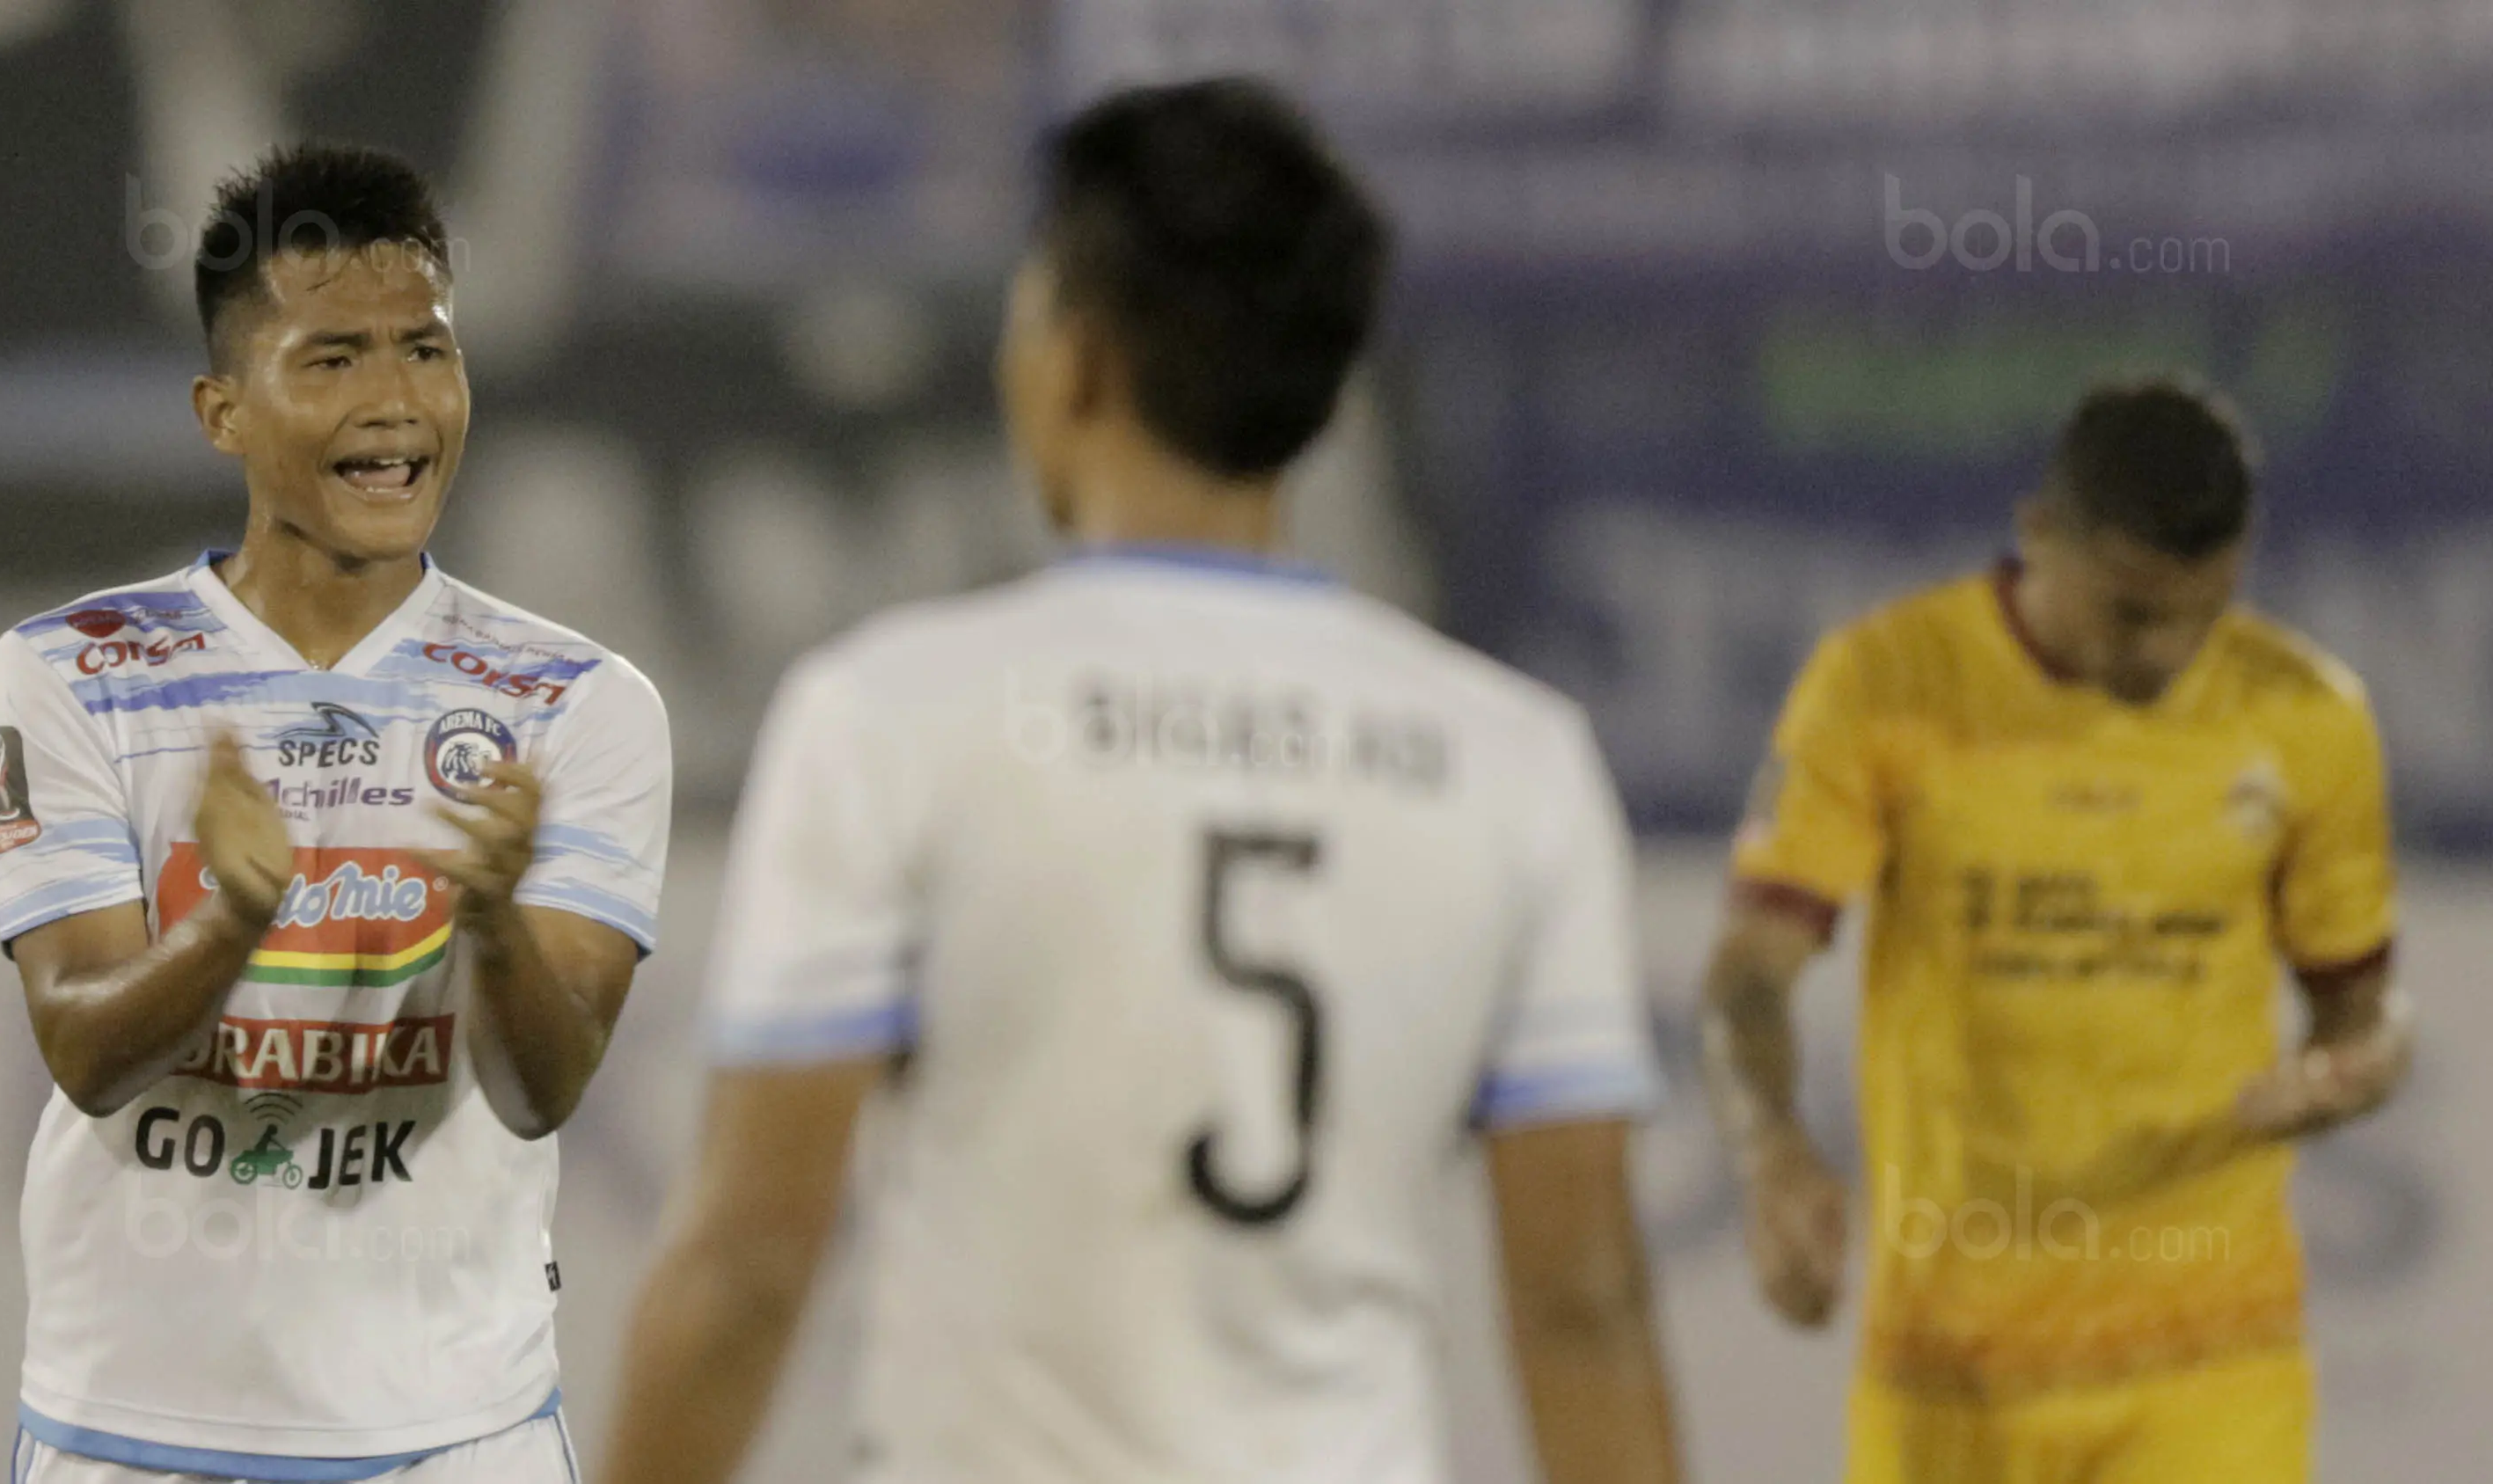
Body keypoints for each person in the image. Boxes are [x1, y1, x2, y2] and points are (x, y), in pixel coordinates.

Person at [603, 78, 1680, 1484]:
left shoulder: (887, 716)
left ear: (1079, 358)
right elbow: (1583, 1297)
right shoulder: (1515, 755)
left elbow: (747, 1263)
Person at [0, 143, 671, 1483]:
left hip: (460, 1431)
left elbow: (546, 1086)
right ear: (222, 410)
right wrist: (232, 917)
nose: (398, 402)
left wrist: (494, 925)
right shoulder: (72, 668)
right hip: (137, 1429)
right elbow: (84, 1047)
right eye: (334, 358)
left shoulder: (576, 700)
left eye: (426, 349)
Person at [1701, 376, 2410, 1482]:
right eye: (2131, 610)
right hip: (1953, 1365)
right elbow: (1750, 971)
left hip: (2211, 1367)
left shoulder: (2308, 715)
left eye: (2206, 609)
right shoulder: (1887, 682)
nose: (2169, 649)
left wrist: (2358, 1068)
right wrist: (1770, 1150)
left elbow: (2364, 1012)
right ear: (2038, 534)